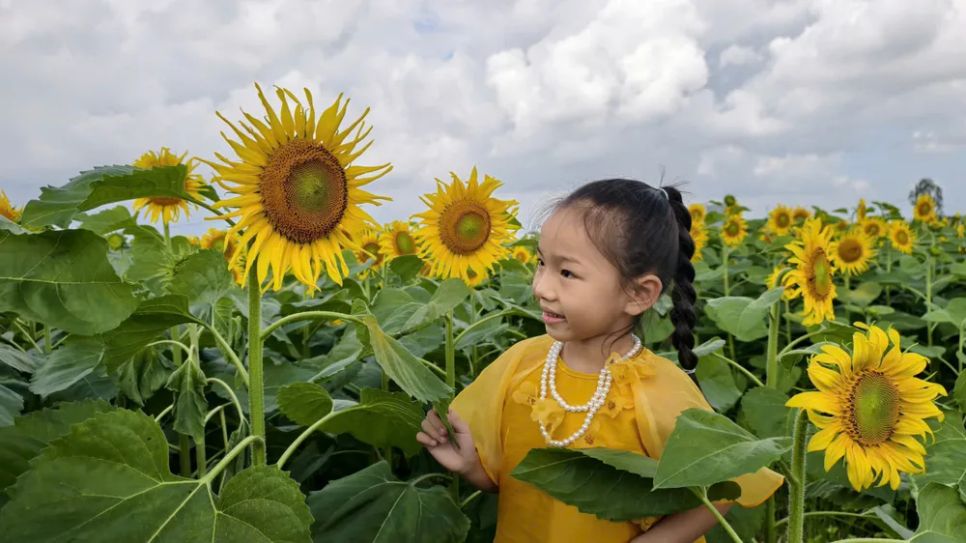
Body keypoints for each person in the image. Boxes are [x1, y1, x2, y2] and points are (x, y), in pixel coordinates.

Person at [416, 179, 783, 542]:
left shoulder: (658, 390)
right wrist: (469, 466)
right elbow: (510, 481)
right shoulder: (520, 363)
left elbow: (721, 486)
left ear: (638, 294)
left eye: (567, 273)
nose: (541, 286)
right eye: (542, 263)